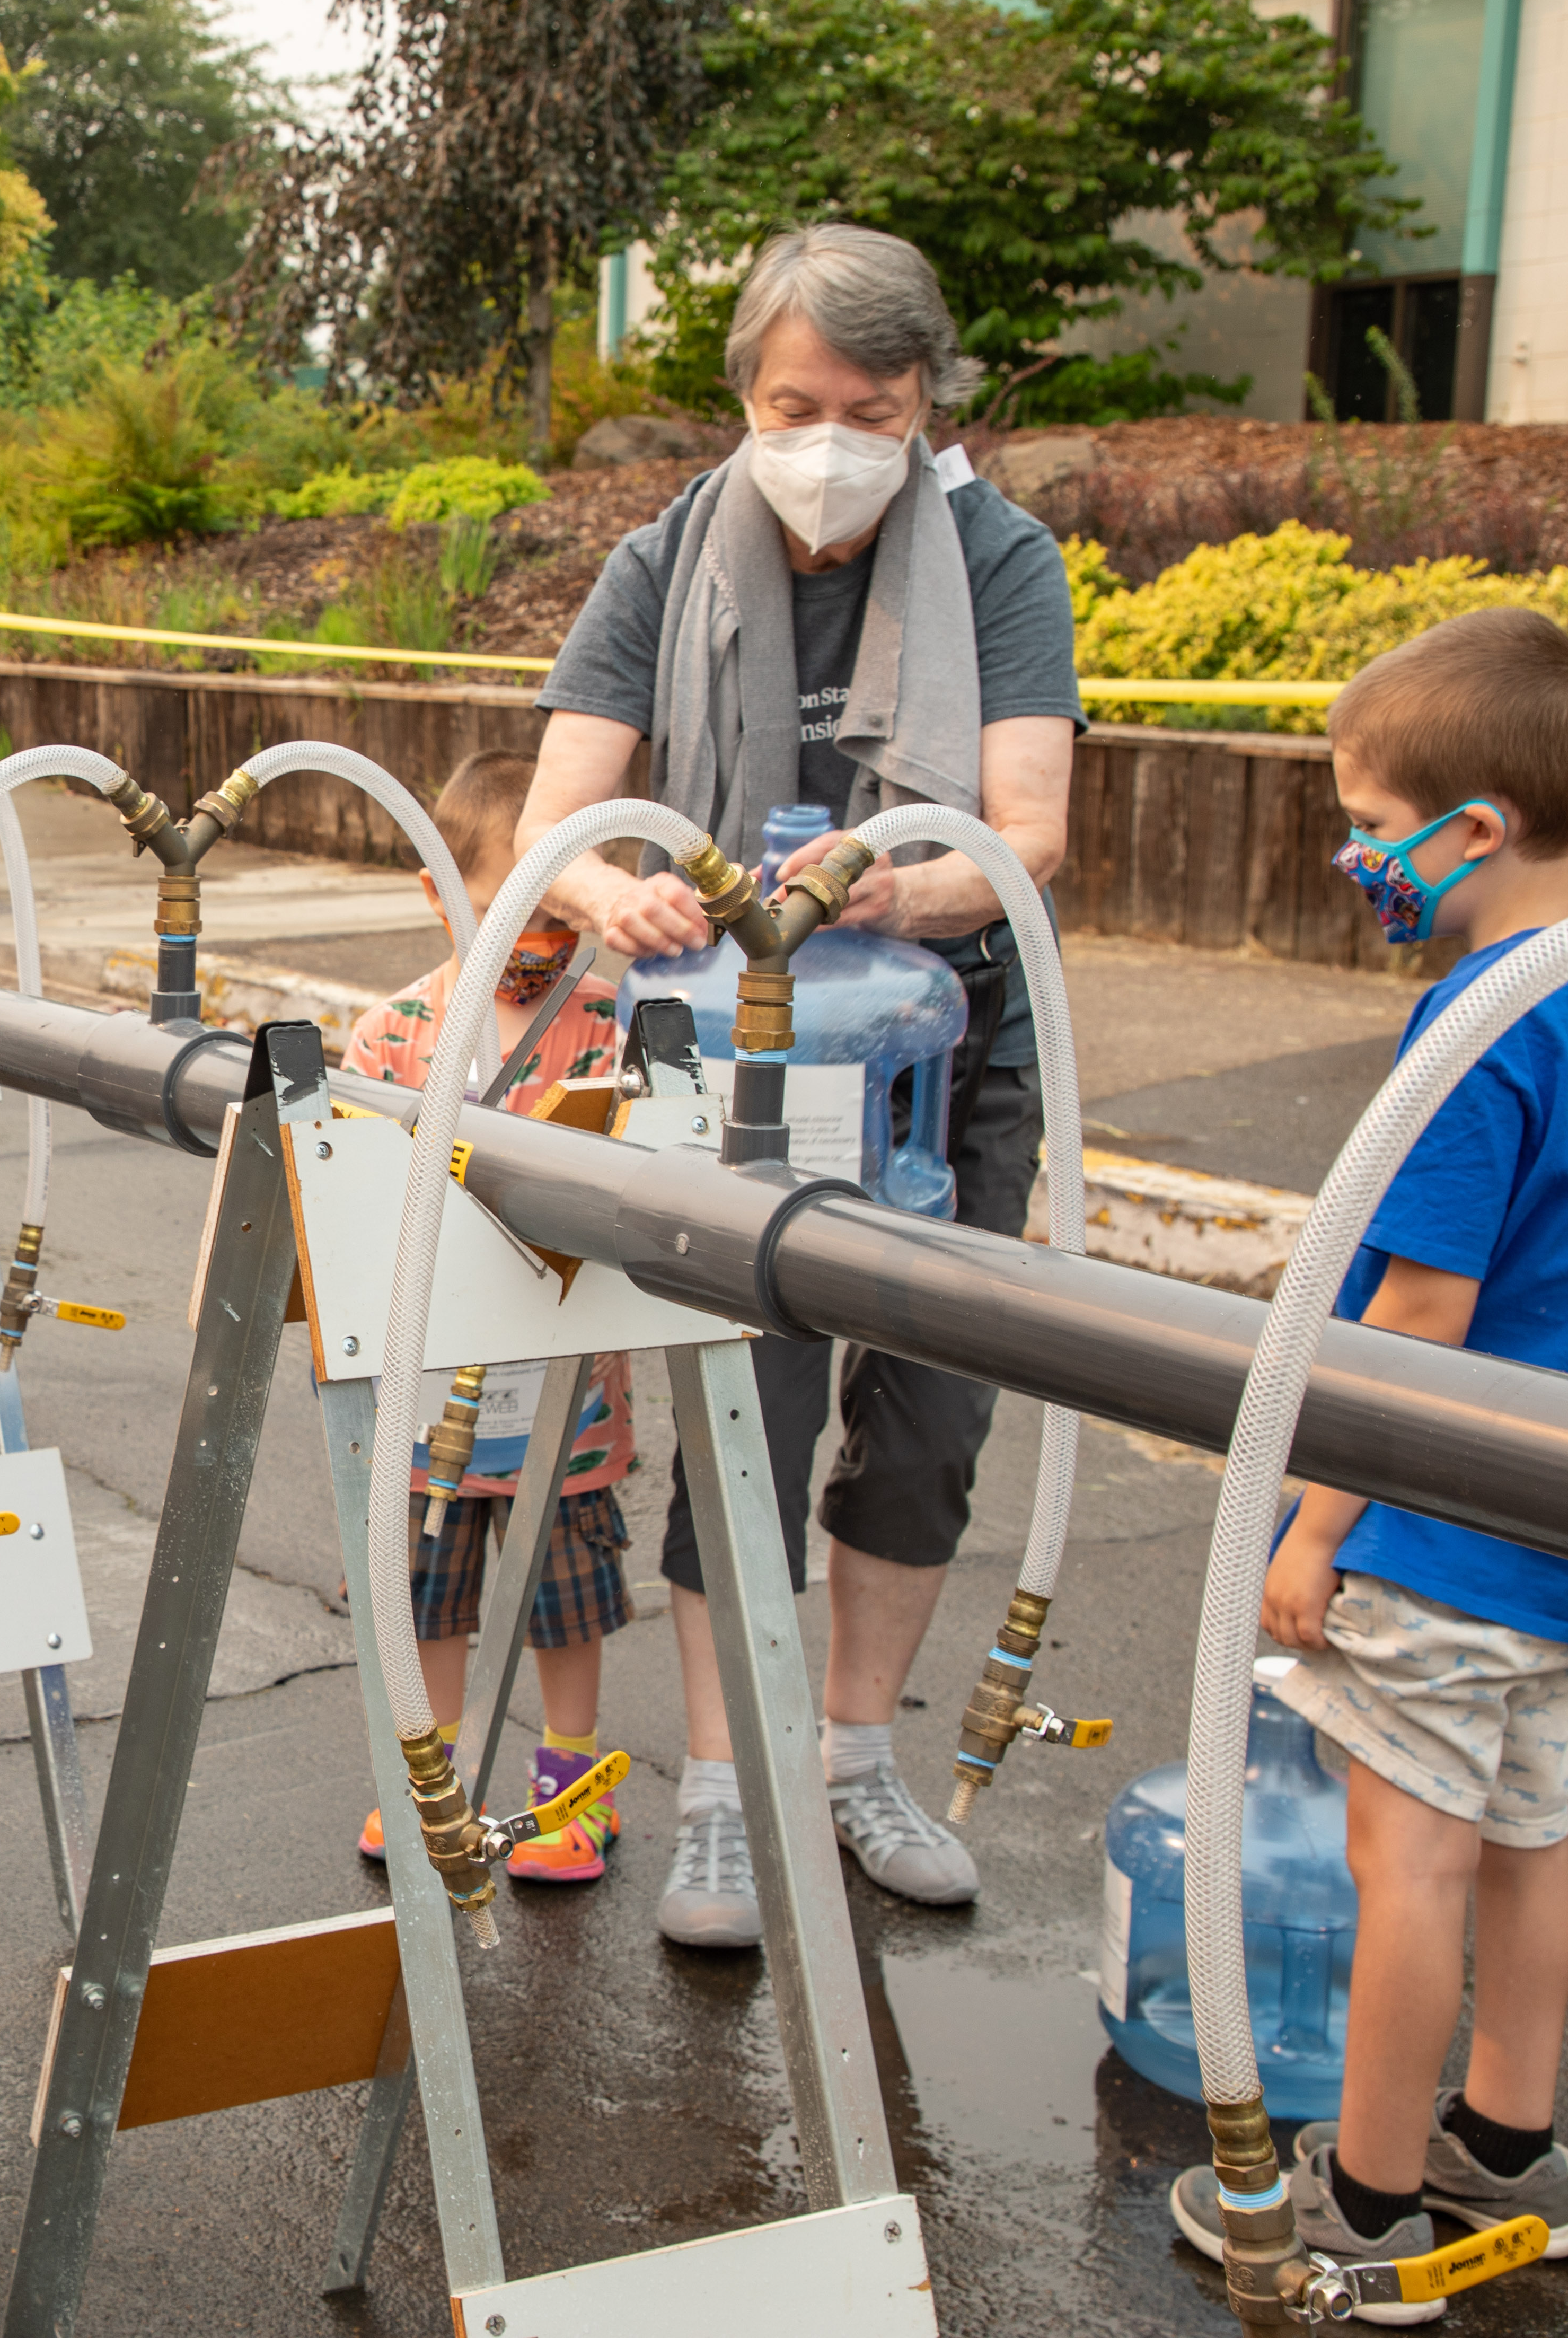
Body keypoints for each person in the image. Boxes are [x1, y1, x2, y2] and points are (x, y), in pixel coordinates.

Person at [517, 222, 1081, 1946]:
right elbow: (556, 830)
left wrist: (898, 885)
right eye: (796, 400)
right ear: (744, 395)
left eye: (872, 404)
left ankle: (848, 1759)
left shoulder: (998, 559)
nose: (830, 436)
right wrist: (619, 891)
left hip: (943, 1047)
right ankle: (716, 1786)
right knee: (740, 1417)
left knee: (927, 1420)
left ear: (926, 403)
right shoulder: (660, 560)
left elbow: (1030, 833)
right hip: (727, 1053)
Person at [1166, 609, 1568, 2313]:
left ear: (1482, 827)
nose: (1354, 849)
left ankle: (1361, 2198)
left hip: (1438, 1537)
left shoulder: (1471, 1023)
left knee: (1409, 1865)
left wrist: (1314, 1525)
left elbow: (1417, 1306)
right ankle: (1503, 2148)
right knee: (1527, 1838)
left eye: (1372, 816)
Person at [340, 752, 637, 1885]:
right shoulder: (396, 1035)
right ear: (439, 890)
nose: (545, 941)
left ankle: (573, 1791)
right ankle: (434, 1777)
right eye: (515, 906)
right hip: (430, 1387)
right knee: (433, 1593)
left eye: (566, 911)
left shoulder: (613, 1028)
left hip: (570, 1392)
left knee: (565, 1597)